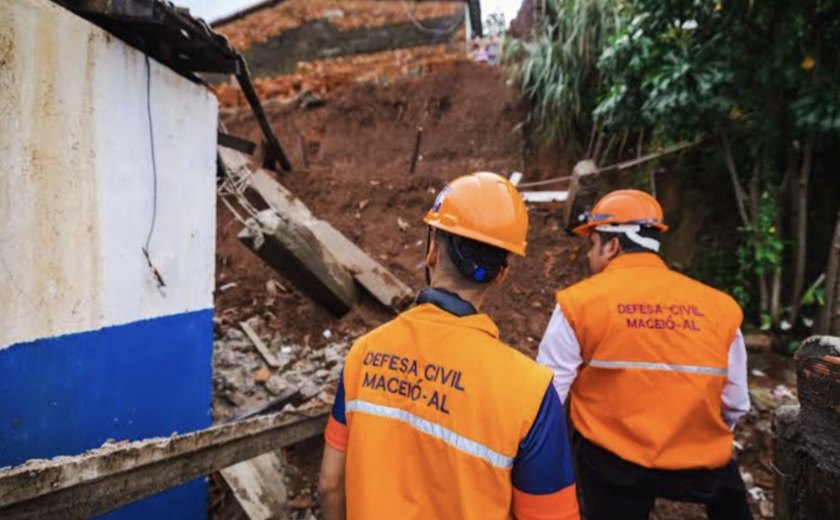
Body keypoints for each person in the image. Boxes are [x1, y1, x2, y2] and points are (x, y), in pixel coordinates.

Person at [319, 172, 580, 520]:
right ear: (501, 273)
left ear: (432, 250)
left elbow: (330, 484)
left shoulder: (363, 355)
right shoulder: (531, 394)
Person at [537, 189, 752, 519]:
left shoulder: (578, 304)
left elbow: (548, 395)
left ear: (613, 245)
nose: (589, 256)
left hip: (612, 464)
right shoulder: (720, 308)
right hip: (702, 463)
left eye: (592, 244)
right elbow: (736, 402)